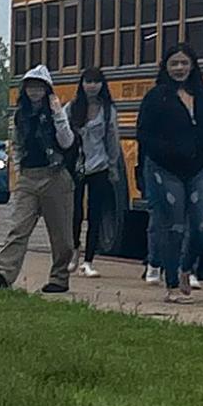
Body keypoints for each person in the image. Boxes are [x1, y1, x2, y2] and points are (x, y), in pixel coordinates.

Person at [134, 42, 203, 304]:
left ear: (193, 65)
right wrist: (170, 151)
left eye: (184, 63)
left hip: (199, 168)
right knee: (172, 226)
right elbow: (144, 134)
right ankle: (172, 284)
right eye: (174, 63)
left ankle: (187, 266)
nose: (179, 68)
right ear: (166, 67)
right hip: (164, 169)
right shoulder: (156, 97)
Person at [0, 65, 76, 293]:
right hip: (29, 177)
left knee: (61, 235)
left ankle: (59, 277)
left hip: (55, 175)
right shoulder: (20, 115)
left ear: (47, 89)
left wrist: (58, 115)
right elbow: (16, 144)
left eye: (39, 87)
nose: (34, 92)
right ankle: (4, 273)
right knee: (19, 227)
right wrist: (18, 170)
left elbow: (67, 142)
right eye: (30, 87)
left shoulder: (57, 112)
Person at [67, 64, 120, 278]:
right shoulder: (72, 108)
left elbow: (112, 139)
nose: (91, 86)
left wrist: (113, 165)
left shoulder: (108, 110)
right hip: (77, 165)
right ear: (82, 84)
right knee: (75, 212)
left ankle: (89, 260)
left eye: (96, 82)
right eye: (88, 81)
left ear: (102, 85)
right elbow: (62, 131)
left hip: (99, 165)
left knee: (95, 212)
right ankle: (74, 252)